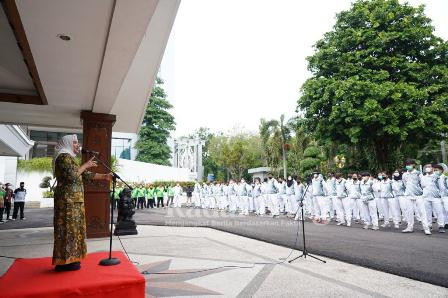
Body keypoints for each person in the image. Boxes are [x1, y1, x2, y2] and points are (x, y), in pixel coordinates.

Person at [52, 134, 111, 271]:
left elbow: (83, 174)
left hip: (74, 201)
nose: (77, 145)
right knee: (67, 231)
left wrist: (104, 176)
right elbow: (72, 176)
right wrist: (86, 165)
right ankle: (64, 262)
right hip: (67, 202)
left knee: (75, 230)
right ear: (66, 143)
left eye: (77, 142)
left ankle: (73, 259)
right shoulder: (63, 157)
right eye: (74, 143)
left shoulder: (70, 158)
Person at [402, 159, 430, 234]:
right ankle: (410, 227)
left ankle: (426, 228)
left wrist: (417, 189)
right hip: (408, 195)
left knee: (422, 212)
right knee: (409, 212)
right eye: (407, 165)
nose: (408, 166)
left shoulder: (418, 173)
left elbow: (423, 184)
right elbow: (405, 184)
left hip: (418, 196)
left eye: (410, 164)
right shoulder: (404, 174)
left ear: (414, 165)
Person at [421, 164, 445, 233]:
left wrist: (440, 195)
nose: (427, 168)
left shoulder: (437, 176)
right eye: (426, 167)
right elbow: (422, 186)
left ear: (433, 168)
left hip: (436, 197)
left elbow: (442, 187)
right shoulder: (423, 177)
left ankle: (441, 226)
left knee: (439, 212)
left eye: (429, 167)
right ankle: (429, 225)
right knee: (427, 212)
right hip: (426, 197)